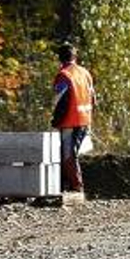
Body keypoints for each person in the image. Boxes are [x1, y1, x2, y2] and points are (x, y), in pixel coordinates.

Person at [51, 42, 96, 193]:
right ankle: (69, 185)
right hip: (85, 120)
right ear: (75, 57)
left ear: (60, 58)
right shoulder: (85, 73)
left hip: (70, 121)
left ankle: (76, 187)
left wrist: (56, 120)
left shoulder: (64, 75)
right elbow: (93, 98)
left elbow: (58, 100)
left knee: (68, 155)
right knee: (72, 154)